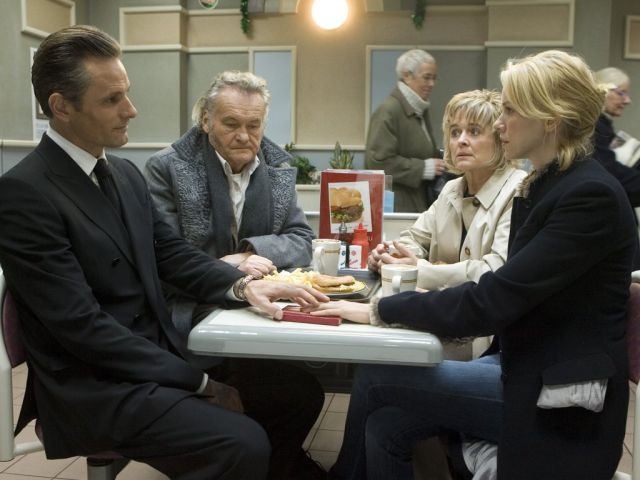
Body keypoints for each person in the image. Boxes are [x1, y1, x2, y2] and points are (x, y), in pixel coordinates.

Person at [0, 25, 329, 480]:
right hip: (94, 386)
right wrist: (199, 381)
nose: (131, 110)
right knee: (241, 442)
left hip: (149, 358)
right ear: (61, 107)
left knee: (298, 393)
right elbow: (83, 329)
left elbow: (171, 254)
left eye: (126, 94)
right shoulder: (24, 192)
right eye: (112, 99)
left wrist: (243, 286)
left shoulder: (123, 174)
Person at [314, 50, 637, 479]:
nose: (500, 123)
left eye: (509, 110)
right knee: (385, 425)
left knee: (376, 374)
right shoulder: (549, 184)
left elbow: (492, 298)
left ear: (550, 118)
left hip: (558, 396)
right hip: (523, 366)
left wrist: (378, 309)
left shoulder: (587, 195)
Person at [144, 70, 314, 340]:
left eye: (253, 125)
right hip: (192, 304)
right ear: (206, 120)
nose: (244, 136)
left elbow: (302, 240)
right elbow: (165, 256)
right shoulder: (167, 167)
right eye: (231, 124)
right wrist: (227, 266)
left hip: (266, 302)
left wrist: (249, 253)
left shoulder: (278, 169)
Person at [368, 89, 527, 293]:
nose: (461, 140)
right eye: (455, 132)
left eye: (474, 131)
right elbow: (414, 238)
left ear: (500, 139)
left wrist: (418, 269)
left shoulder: (519, 189)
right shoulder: (452, 189)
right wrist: (392, 255)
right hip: (441, 306)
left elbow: (495, 270)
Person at [364, 49, 445, 212]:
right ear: (407, 76)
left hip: (414, 203)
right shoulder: (388, 111)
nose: (432, 84)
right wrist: (423, 168)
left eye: (434, 78)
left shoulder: (419, 110)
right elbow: (378, 161)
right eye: (427, 77)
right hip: (397, 208)